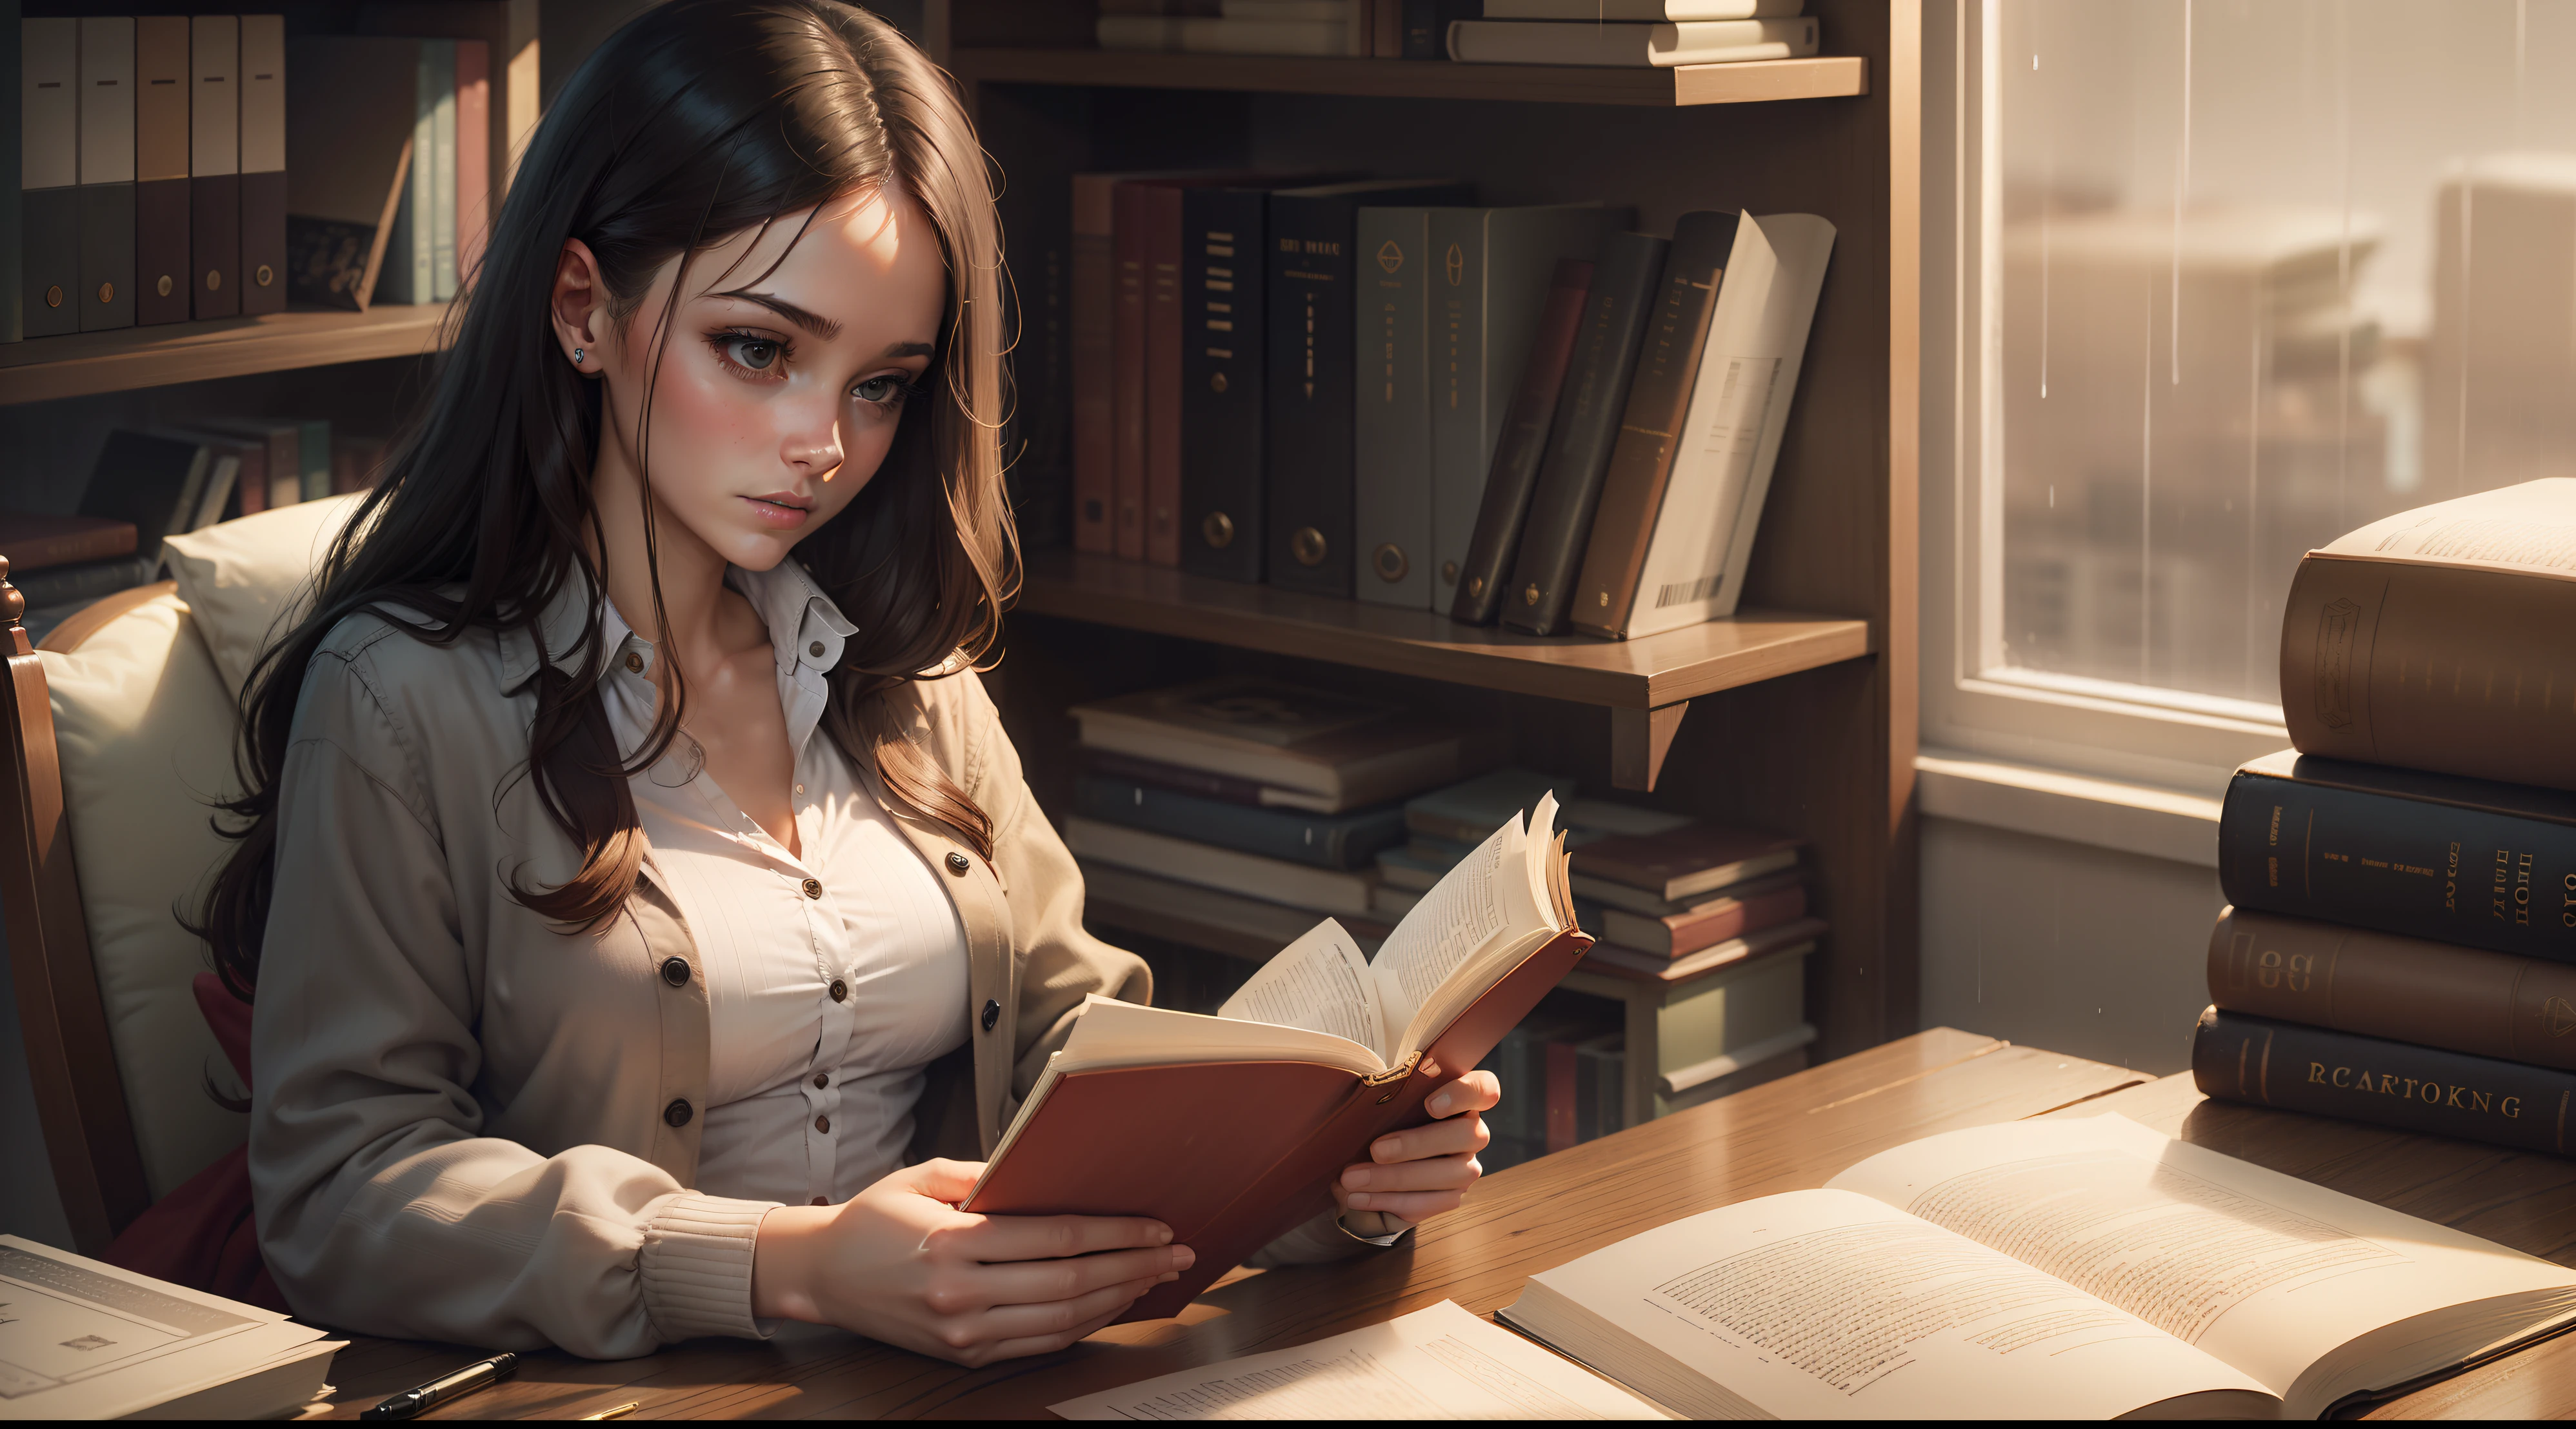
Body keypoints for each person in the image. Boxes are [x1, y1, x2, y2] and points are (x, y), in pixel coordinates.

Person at [198, 0, 1498, 1367]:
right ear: (584, 307)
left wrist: (1325, 1182)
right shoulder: (402, 701)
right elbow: (343, 1192)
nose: (823, 444)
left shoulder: (902, 671)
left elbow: (1079, 1055)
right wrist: (789, 1268)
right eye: (759, 348)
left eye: (881, 384)